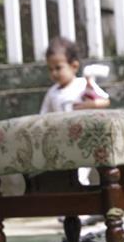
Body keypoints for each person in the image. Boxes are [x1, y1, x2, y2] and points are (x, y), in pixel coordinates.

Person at [40, 36, 111, 188]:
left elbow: (105, 100)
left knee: (80, 173)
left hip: (82, 139)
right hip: (60, 140)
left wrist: (90, 104)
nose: (54, 73)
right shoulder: (52, 93)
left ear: (74, 66)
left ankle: (83, 208)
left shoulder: (83, 85)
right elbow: (42, 117)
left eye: (58, 68)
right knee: (63, 176)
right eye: (50, 69)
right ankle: (68, 208)